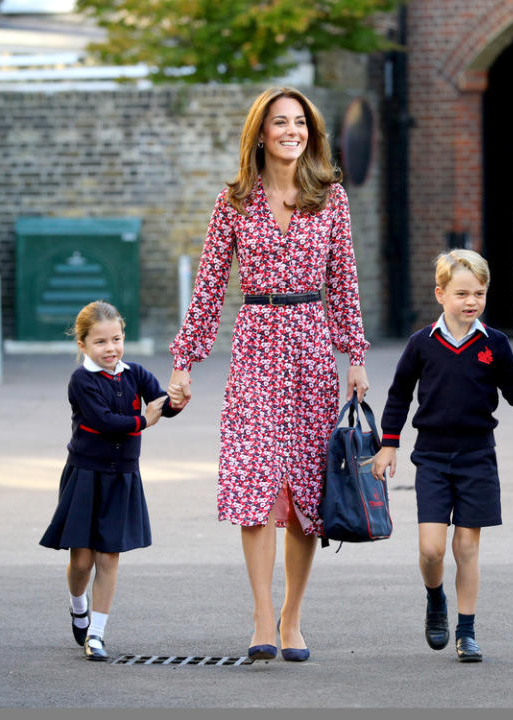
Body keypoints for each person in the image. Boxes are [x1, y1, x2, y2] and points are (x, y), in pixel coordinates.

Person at [166, 87, 370, 663]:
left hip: (310, 347)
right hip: (255, 346)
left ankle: (292, 618)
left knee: (306, 491)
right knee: (254, 482)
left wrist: (354, 355)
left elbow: (345, 285)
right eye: (279, 123)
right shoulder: (231, 202)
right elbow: (208, 291)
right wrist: (184, 362)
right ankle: (260, 613)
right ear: (260, 132)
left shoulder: (330, 198)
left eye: (299, 123)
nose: (291, 131)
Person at [371, 249, 513, 663]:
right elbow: (400, 394)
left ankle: (466, 632)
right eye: (462, 293)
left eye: (480, 294)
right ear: (440, 294)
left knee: (466, 548)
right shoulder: (422, 344)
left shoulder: (495, 344)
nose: (471, 302)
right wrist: (389, 443)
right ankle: (436, 600)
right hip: (432, 458)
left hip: (477, 458)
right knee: (432, 549)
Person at [40, 300, 182, 661]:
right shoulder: (81, 381)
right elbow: (102, 422)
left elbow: (160, 400)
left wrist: (177, 401)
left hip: (122, 477)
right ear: (83, 345)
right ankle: (77, 605)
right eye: (101, 342)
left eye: (116, 339)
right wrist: (143, 421)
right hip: (86, 475)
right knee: (82, 562)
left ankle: (97, 635)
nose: (110, 348)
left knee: (109, 559)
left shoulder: (134, 372)